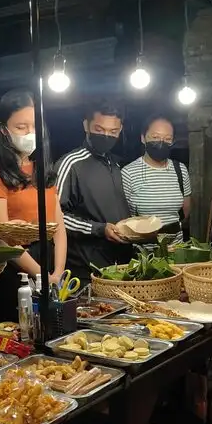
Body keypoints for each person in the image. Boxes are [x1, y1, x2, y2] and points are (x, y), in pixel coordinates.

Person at [0, 89, 67, 321]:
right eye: (21, 127)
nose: (31, 133)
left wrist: (57, 272)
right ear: (2, 129)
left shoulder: (43, 168)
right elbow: (4, 235)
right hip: (15, 266)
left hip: (48, 262)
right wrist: (42, 275)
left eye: (35, 126)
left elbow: (58, 226)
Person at [55, 97, 132, 285]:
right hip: (85, 268)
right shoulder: (71, 163)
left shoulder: (115, 163)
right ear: (86, 126)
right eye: (99, 129)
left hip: (119, 265)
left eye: (113, 131)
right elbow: (55, 217)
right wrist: (99, 229)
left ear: (120, 130)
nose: (106, 135)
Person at [121, 115, 191, 244]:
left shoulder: (180, 170)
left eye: (167, 139)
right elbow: (126, 219)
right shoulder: (128, 173)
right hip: (143, 252)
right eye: (155, 137)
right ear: (143, 138)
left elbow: (185, 211)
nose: (161, 142)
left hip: (177, 248)